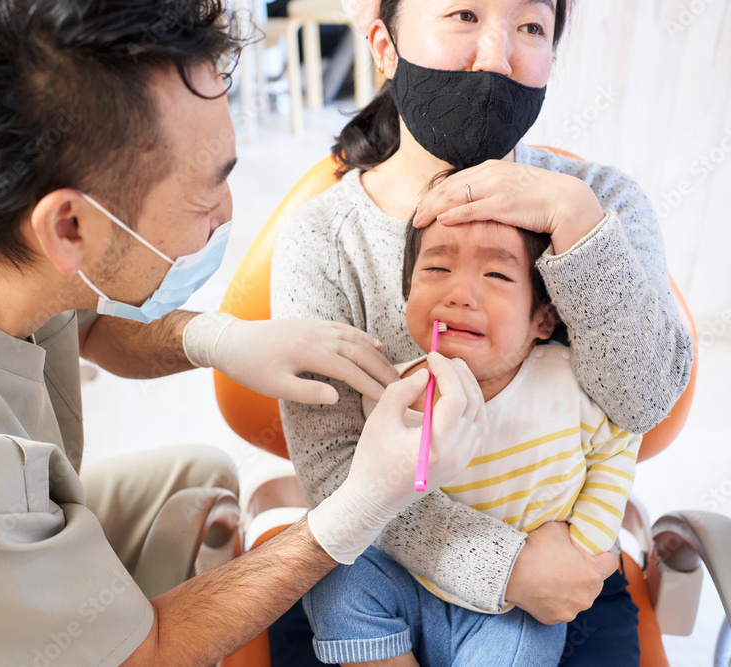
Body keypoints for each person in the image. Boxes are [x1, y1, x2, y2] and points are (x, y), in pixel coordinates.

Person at [0, 1, 492, 664]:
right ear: (70, 227)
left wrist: (215, 338)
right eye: (204, 193)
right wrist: (361, 505)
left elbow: (83, 316)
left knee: (201, 485)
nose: (228, 212)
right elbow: (145, 652)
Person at [270, 0, 694, 663]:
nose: (496, 56)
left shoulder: (603, 203)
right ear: (384, 45)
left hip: (560, 584)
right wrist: (507, 568)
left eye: (531, 27)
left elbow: (641, 402)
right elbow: (333, 469)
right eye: (464, 14)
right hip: (379, 560)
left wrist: (574, 222)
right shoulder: (322, 237)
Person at [301, 213, 642, 665]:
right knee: (332, 577)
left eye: (497, 274)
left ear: (544, 319)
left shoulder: (568, 385)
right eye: (437, 269)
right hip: (409, 581)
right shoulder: (387, 396)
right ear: (408, 294)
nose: (459, 293)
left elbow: (619, 443)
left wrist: (582, 547)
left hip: (518, 610)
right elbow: (365, 505)